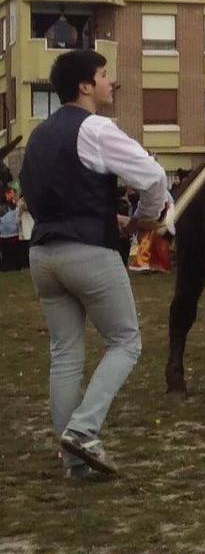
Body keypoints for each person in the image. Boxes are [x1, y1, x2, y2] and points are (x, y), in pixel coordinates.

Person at [19, 49, 171, 478]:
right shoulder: (96, 128)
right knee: (126, 341)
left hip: (42, 253)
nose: (111, 82)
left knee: (65, 353)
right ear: (85, 85)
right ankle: (84, 431)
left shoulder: (40, 135)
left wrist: (113, 217)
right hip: (87, 252)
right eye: (104, 75)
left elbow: (55, 195)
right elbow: (153, 177)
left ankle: (74, 460)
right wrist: (144, 221)